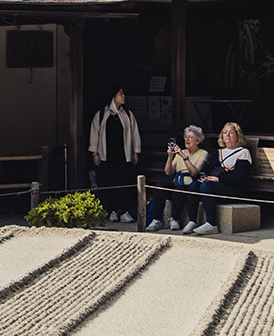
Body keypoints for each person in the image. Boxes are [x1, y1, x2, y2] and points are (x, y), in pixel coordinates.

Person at [182, 121, 252, 235]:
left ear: (237, 136)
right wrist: (204, 176)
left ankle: (211, 223)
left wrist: (219, 180)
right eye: (225, 133)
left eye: (231, 133)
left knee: (206, 185)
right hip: (216, 186)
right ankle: (192, 220)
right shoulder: (219, 153)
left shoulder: (243, 152)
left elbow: (240, 176)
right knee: (194, 184)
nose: (227, 135)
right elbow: (209, 169)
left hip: (232, 189)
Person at [88, 87, 141, 224]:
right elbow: (94, 134)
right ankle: (111, 210)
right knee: (108, 181)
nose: (123, 96)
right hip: (106, 154)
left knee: (124, 182)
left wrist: (136, 151)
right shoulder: (101, 114)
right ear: (113, 96)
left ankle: (124, 211)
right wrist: (95, 153)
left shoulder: (127, 114)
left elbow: (135, 134)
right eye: (120, 94)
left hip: (124, 154)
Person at [148, 126, 207, 231]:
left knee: (180, 190)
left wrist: (182, 155)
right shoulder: (181, 152)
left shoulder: (202, 153)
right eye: (186, 137)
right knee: (160, 185)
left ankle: (175, 219)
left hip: (189, 187)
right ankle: (156, 219)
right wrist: (170, 157)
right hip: (177, 183)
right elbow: (168, 172)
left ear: (198, 141)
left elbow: (194, 172)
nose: (187, 139)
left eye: (190, 137)